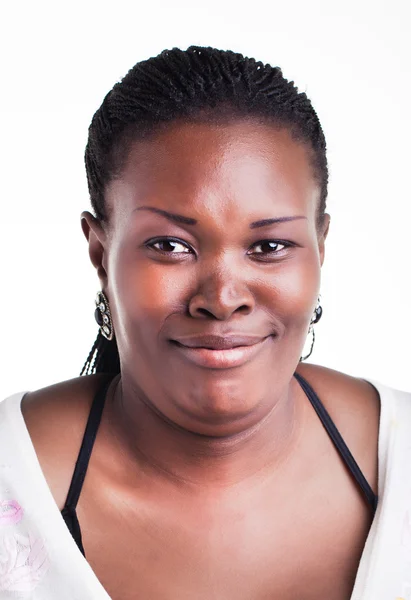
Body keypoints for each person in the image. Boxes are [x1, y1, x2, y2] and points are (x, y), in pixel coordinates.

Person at [0, 46, 410, 600]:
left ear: (320, 248)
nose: (222, 298)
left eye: (269, 246)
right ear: (100, 254)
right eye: (170, 246)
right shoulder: (12, 477)